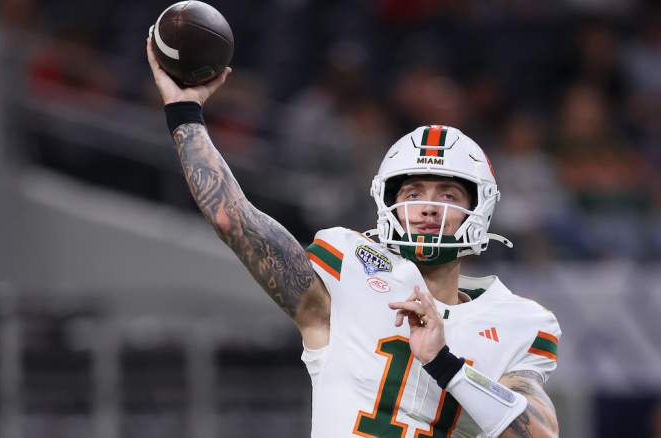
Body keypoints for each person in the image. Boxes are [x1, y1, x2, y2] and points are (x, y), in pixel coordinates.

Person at [146, 37, 562, 438]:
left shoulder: (516, 321)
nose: (428, 207)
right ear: (388, 202)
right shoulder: (350, 267)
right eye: (413, 193)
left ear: (479, 209)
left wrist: (444, 364)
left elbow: (540, 435)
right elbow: (232, 219)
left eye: (448, 195)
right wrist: (185, 114)